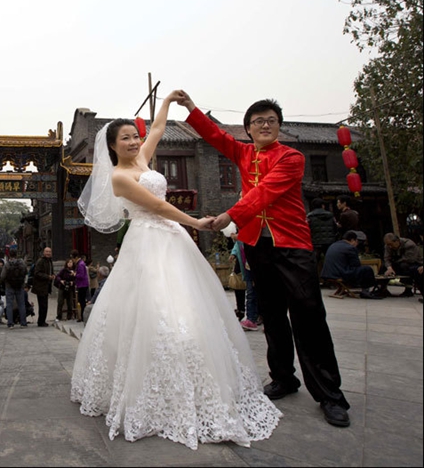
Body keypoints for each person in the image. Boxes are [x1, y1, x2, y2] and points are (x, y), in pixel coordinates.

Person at [72, 90, 281, 450]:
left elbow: (156, 128)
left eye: (134, 136)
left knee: (188, 302)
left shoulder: (143, 159)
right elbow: (156, 205)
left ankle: (202, 377)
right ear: (111, 147)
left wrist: (168, 101)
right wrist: (195, 223)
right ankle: (154, 386)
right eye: (126, 138)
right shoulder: (120, 177)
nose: (135, 141)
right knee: (154, 305)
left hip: (172, 240)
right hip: (148, 240)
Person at [178, 90, 351, 428]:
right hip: (257, 245)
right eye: (258, 122)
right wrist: (191, 108)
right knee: (271, 314)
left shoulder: (291, 157)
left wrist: (231, 214)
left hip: (293, 246)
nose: (265, 126)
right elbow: (215, 135)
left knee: (309, 317)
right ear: (248, 129)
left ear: (279, 127)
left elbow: (265, 191)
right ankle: (284, 378)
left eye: (271, 121)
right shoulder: (242, 153)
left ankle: (330, 395)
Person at [321, 231, 383, 299]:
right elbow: (356, 265)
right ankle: (366, 291)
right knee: (367, 269)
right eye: (356, 242)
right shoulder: (350, 248)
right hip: (339, 273)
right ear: (353, 240)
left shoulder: (334, 245)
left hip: (327, 273)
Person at [229, 229, 260, 330]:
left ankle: (253, 318)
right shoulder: (241, 229)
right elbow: (237, 245)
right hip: (246, 266)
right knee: (250, 293)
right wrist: (233, 254)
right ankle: (249, 316)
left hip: (254, 265)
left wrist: (239, 236)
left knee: (254, 294)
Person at [307, 198, 337, 274]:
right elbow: (335, 228)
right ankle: (330, 280)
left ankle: (315, 280)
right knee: (330, 262)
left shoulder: (310, 217)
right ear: (323, 206)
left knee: (314, 263)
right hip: (329, 242)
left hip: (315, 242)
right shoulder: (330, 216)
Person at [0, 249, 28, 328]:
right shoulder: (22, 263)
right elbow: (26, 272)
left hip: (9, 286)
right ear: (16, 254)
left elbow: (2, 276)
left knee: (9, 305)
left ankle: (10, 323)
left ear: (9, 255)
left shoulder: (7, 264)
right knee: (21, 304)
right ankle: (23, 322)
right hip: (20, 286)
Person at [31, 247, 55, 327]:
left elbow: (50, 270)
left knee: (45, 304)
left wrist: (52, 275)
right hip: (40, 286)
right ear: (44, 252)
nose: (48, 253)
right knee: (42, 305)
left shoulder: (49, 261)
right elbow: (37, 273)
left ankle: (42, 320)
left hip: (46, 286)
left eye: (49, 252)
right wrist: (47, 276)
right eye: (47, 251)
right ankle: (41, 321)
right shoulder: (40, 261)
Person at [72, 250, 89, 323]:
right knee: (81, 301)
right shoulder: (80, 263)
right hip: (81, 284)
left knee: (82, 301)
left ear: (75, 257)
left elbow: (81, 275)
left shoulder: (80, 264)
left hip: (82, 285)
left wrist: (75, 274)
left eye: (72, 258)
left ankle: (83, 316)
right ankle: (82, 316)